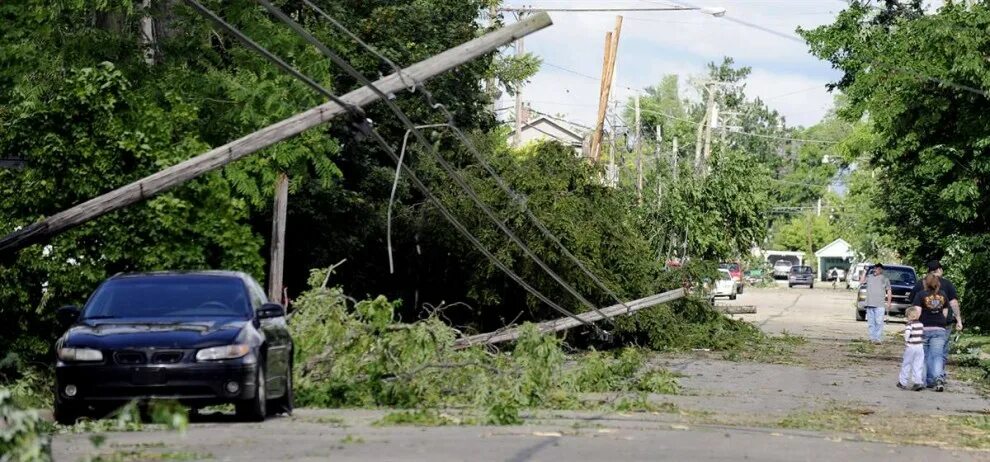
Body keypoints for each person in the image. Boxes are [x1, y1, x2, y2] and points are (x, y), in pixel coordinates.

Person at [912, 260, 962, 365]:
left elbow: (913, 303)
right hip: (944, 323)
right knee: (940, 352)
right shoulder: (947, 284)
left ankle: (926, 377)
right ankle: (939, 376)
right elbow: (953, 303)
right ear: (939, 269)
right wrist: (958, 320)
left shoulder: (921, 283)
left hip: (924, 323)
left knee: (924, 353)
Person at [912, 274, 949, 392]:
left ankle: (920, 381)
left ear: (925, 283)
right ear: (937, 283)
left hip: (924, 328)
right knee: (937, 356)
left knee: (922, 356)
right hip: (939, 329)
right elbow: (945, 314)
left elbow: (917, 313)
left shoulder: (920, 295)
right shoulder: (943, 295)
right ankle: (938, 379)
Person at [897, 306, 925, 391]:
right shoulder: (921, 324)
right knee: (918, 364)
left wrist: (906, 341)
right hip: (920, 346)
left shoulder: (910, 324)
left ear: (909, 316)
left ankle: (903, 382)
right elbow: (922, 335)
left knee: (907, 363)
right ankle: (917, 382)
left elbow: (907, 333)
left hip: (911, 346)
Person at [863, 263, 892, 344]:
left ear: (881, 270)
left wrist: (889, 302)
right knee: (871, 323)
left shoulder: (885, 279)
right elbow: (861, 281)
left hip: (880, 304)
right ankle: (872, 338)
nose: (876, 270)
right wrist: (864, 271)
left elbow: (889, 291)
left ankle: (878, 339)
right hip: (869, 303)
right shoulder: (869, 277)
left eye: (879, 269)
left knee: (879, 322)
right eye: (875, 268)